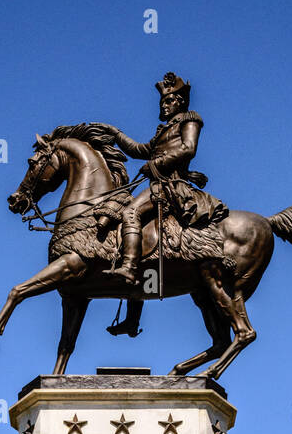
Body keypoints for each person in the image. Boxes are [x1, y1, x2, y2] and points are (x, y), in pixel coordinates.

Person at [95, 72, 227, 284]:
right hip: (158, 186)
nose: (163, 106)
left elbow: (188, 149)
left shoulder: (189, 119)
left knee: (130, 211)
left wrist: (156, 164)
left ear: (180, 101)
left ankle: (129, 267)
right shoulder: (162, 131)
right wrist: (117, 134)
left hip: (171, 187)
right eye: (162, 102)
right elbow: (139, 149)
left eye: (168, 101)